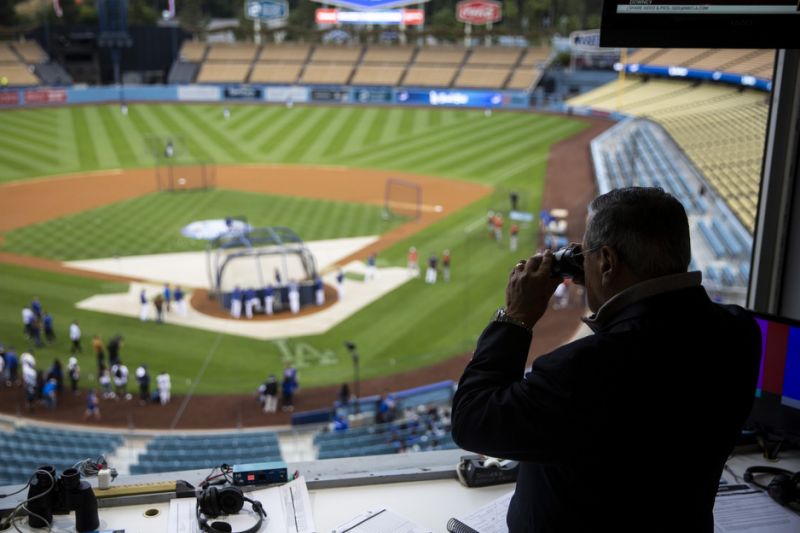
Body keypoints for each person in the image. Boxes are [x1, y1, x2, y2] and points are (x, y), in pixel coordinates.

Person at [450, 187, 762, 532]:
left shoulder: (582, 369)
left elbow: (472, 420)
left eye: (588, 253)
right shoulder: (738, 331)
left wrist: (516, 317)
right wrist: (607, 289)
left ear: (608, 261)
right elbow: (654, 343)